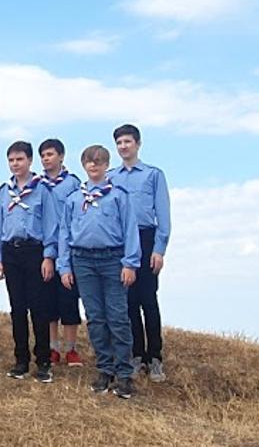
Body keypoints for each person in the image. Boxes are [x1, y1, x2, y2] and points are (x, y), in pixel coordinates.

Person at [59, 144, 141, 399]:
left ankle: (125, 373)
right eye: (89, 162)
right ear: (83, 165)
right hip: (83, 260)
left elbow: (130, 229)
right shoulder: (74, 198)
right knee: (95, 317)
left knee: (117, 316)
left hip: (113, 259)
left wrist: (130, 263)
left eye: (99, 161)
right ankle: (104, 369)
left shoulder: (118, 195)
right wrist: (64, 266)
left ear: (107, 165)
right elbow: (64, 232)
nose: (93, 166)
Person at [0, 141, 58, 383]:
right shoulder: (3, 192)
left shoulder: (43, 190)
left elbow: (51, 225)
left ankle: (43, 362)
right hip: (11, 253)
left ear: (30, 161)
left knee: (38, 308)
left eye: (19, 159)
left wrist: (49, 256)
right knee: (17, 308)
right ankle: (21, 360)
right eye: (11, 160)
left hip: (35, 252)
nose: (15, 164)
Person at [109, 123, 170, 382]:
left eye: (127, 142)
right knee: (128, 301)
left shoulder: (153, 175)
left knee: (148, 299)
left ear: (138, 144)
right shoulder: (112, 177)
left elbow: (163, 215)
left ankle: (154, 357)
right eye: (119, 143)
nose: (123, 147)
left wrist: (159, 248)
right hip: (121, 241)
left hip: (145, 238)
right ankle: (135, 354)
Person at [38, 138, 84, 368]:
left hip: (68, 248)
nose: (47, 159)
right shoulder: (36, 185)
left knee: (68, 299)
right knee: (48, 302)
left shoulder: (73, 184)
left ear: (62, 156)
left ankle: (71, 348)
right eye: (43, 155)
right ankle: (53, 347)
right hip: (44, 248)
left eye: (50, 154)